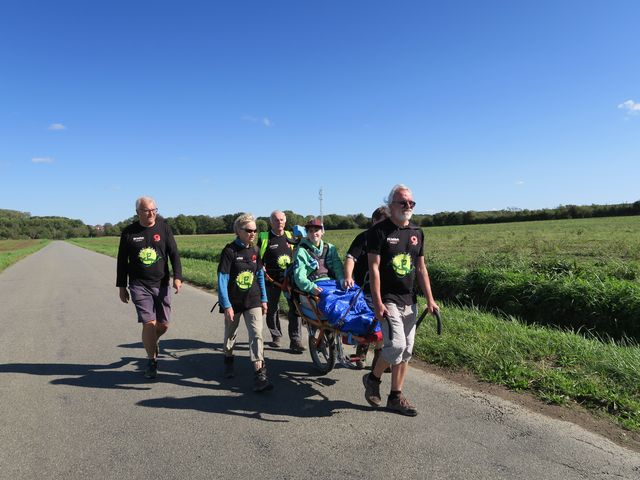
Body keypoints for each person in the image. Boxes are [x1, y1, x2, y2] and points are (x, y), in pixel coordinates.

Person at [363, 184, 439, 416]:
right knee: (396, 346)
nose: (408, 206)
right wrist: (377, 302)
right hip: (388, 299)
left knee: (406, 351)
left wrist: (430, 299)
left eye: (411, 203)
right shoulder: (379, 232)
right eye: (402, 202)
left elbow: (421, 268)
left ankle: (395, 397)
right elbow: (373, 269)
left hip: (410, 299)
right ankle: (373, 378)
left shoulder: (417, 232)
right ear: (391, 205)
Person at [116, 196, 183, 379]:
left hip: (161, 283)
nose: (152, 213)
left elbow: (174, 254)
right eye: (147, 210)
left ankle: (152, 342)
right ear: (138, 212)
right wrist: (122, 286)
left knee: (163, 325)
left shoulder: (164, 228)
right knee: (149, 322)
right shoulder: (129, 232)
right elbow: (122, 261)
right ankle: (151, 361)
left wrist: (178, 277)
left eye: (154, 209)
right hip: (139, 284)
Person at [217, 213, 272, 392]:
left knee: (257, 334)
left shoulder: (255, 251)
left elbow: (260, 276)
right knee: (230, 334)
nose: (253, 233)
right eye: (249, 230)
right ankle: (228, 358)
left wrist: (264, 298)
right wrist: (226, 305)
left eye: (255, 230)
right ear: (238, 231)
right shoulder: (229, 251)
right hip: (234, 301)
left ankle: (259, 374)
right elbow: (222, 279)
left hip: (253, 299)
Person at [343, 206, 389, 368]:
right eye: (383, 223)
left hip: (388, 290)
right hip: (367, 289)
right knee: (371, 323)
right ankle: (361, 353)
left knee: (385, 324)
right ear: (374, 221)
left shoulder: (390, 238)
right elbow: (350, 258)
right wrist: (348, 276)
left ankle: (380, 358)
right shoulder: (363, 238)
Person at [256, 210, 305, 353]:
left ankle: (295, 340)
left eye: (282, 220)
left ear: (285, 221)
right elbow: (257, 257)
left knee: (295, 308)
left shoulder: (290, 236)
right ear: (271, 222)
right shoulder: (265, 237)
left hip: (289, 279)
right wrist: (261, 269)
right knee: (272, 309)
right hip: (271, 280)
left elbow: (299, 253)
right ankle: (276, 335)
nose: (280, 223)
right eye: (276, 220)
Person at [291, 218, 347, 299]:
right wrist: (311, 287)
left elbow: (337, 267)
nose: (314, 233)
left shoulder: (330, 248)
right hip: (316, 284)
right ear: (307, 233)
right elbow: (299, 276)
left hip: (333, 283)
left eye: (316, 230)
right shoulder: (301, 251)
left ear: (322, 232)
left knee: (355, 293)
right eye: (310, 231)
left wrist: (342, 280)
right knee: (333, 300)